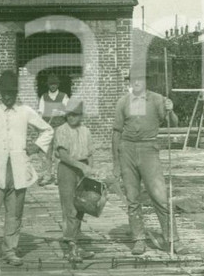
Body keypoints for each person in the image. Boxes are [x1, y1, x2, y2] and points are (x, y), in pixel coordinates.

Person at [0, 70, 54, 271]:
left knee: (15, 214)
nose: (8, 96)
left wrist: (36, 147)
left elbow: (48, 129)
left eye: (11, 92)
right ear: (0, 92)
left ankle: (10, 250)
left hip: (18, 169)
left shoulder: (25, 111)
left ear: (16, 93)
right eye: (5, 92)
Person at [111, 66, 186, 255]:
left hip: (149, 149)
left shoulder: (158, 99)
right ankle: (138, 239)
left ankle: (173, 239)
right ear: (129, 82)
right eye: (132, 80)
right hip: (127, 149)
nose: (136, 83)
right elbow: (116, 133)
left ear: (146, 81)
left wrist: (171, 110)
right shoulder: (122, 102)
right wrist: (116, 163)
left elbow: (174, 124)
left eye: (140, 79)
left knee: (160, 196)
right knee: (132, 198)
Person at [54, 98, 96, 263]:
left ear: (81, 115)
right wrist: (80, 166)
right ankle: (70, 246)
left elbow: (91, 154)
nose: (71, 118)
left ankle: (76, 243)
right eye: (69, 115)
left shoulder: (86, 131)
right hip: (67, 169)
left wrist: (90, 170)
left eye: (75, 115)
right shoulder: (61, 130)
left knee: (81, 206)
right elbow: (63, 156)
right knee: (69, 208)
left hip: (83, 169)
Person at [37, 73, 69, 186]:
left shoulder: (63, 96)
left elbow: (68, 111)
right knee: (47, 152)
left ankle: (57, 175)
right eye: (51, 84)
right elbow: (40, 113)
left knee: (58, 152)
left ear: (58, 85)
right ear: (48, 85)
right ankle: (47, 175)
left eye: (55, 84)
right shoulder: (44, 97)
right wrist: (40, 127)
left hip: (59, 127)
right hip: (47, 128)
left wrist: (61, 112)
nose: (53, 86)